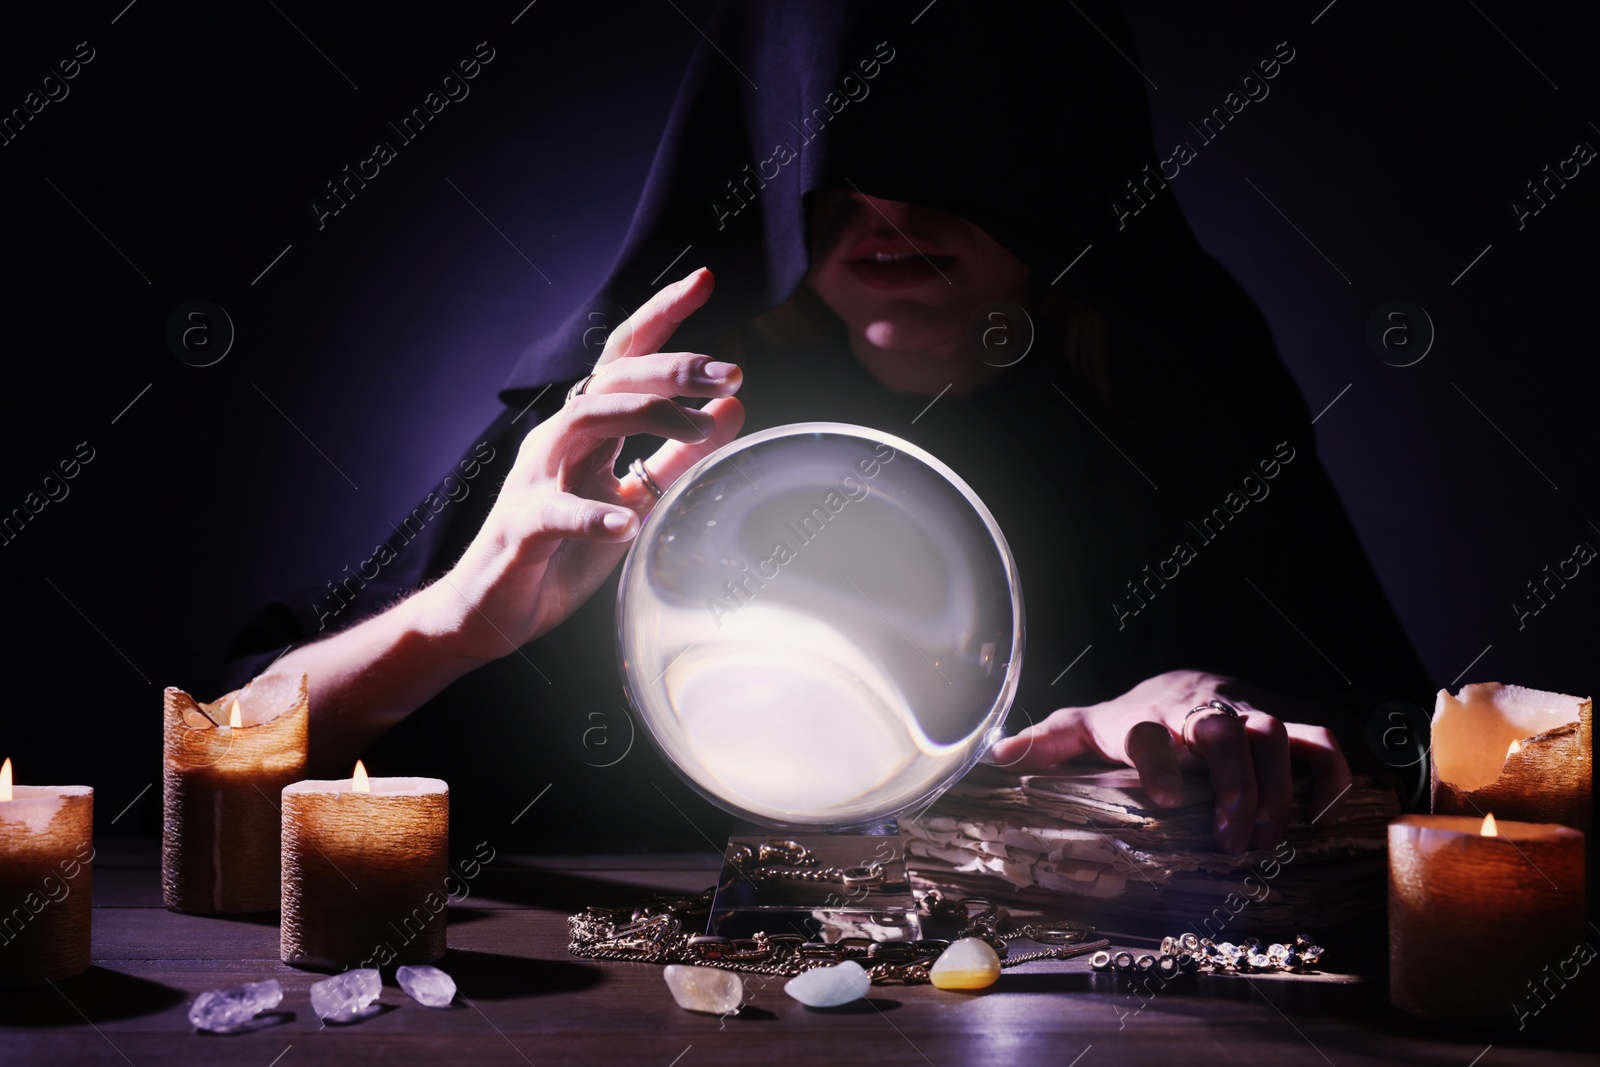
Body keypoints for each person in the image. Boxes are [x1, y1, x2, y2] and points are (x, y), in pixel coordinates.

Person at [225, 1, 1430, 854]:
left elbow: (1423, 778)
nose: (886, 206)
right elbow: (219, 757)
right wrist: (454, 617)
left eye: (950, 152)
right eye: (838, 154)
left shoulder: (1182, 411)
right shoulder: (637, 429)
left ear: (1054, 153)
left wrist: (1211, 729)